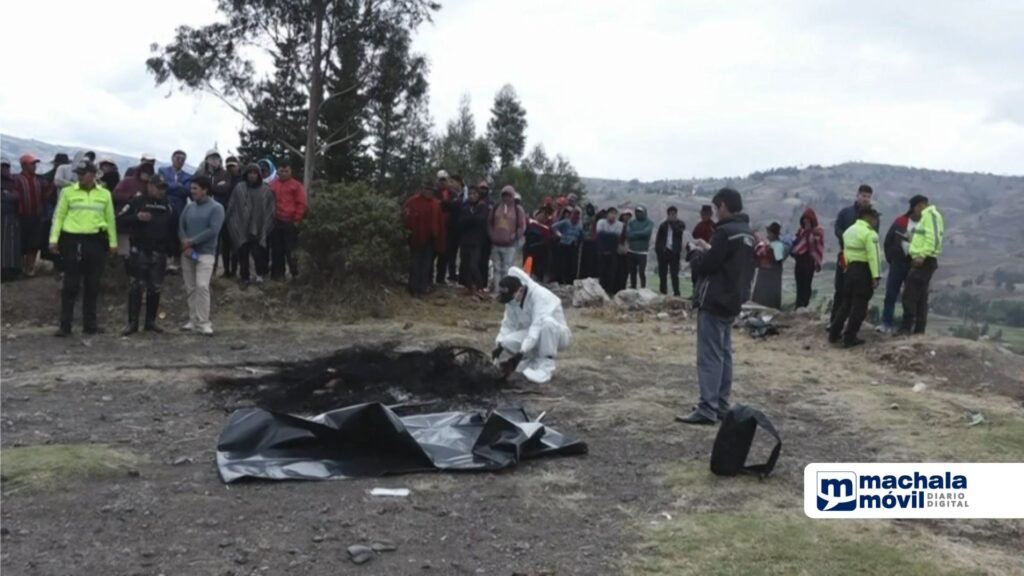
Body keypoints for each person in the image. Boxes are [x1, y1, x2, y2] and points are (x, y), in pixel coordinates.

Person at [677, 188, 754, 425]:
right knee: (724, 353)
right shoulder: (747, 234)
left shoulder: (724, 232)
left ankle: (707, 408)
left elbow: (707, 266)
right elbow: (728, 262)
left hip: (714, 299)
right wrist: (708, 248)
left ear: (723, 206)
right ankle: (720, 404)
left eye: (716, 207)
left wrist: (694, 254)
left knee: (709, 355)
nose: (716, 213)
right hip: (733, 300)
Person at [49, 159, 117, 336]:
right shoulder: (68, 192)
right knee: (70, 285)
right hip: (72, 241)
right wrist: (53, 239)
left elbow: (110, 219)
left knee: (93, 285)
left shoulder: (104, 194)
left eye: (83, 174)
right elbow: (59, 216)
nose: (79, 177)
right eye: (78, 174)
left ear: (93, 174)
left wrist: (113, 243)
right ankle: (65, 326)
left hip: (95, 241)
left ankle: (90, 325)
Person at [117, 174, 176, 335]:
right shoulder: (137, 202)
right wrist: (136, 217)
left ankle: (150, 322)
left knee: (155, 288)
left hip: (159, 252)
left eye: (163, 188)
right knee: (136, 287)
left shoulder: (167, 205)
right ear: (150, 186)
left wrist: (171, 250)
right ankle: (132, 323)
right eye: (158, 187)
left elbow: (172, 228)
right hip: (140, 251)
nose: (161, 191)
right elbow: (119, 219)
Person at [492, 267, 572, 384]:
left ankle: (545, 366)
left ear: (520, 290)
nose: (509, 301)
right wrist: (499, 346)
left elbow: (536, 326)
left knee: (547, 323)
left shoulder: (541, 296)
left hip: (556, 335)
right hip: (533, 333)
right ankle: (531, 362)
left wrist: (522, 352)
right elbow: (508, 324)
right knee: (507, 342)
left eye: (510, 297)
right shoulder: (513, 300)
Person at [179, 176, 225, 335]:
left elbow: (213, 230)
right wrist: (184, 243)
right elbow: (181, 226)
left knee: (202, 286)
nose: (192, 191)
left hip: (205, 253)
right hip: (187, 253)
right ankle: (193, 320)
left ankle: (204, 322)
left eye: (195, 188)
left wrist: (192, 241)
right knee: (190, 287)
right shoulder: (189, 207)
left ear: (205, 190)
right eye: (191, 188)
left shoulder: (216, 208)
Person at [829, 205, 881, 347]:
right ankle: (850, 337)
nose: (876, 221)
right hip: (863, 271)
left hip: (850, 270)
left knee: (845, 304)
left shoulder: (848, 231)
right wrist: (876, 276)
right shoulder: (870, 234)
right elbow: (874, 256)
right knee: (859, 306)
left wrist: (847, 269)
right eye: (875, 218)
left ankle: (834, 333)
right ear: (868, 217)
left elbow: (845, 252)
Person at [899, 196, 944, 336]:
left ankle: (906, 328)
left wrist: (922, 255)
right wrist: (912, 240)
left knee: (909, 295)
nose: (914, 213)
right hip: (923, 259)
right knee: (920, 297)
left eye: (914, 208)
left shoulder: (930, 215)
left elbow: (933, 238)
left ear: (919, 205)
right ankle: (918, 330)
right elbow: (924, 238)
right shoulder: (927, 217)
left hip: (924, 261)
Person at [226, 164, 276, 288]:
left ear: (259, 175)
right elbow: (232, 205)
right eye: (250, 173)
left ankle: (259, 275)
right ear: (246, 174)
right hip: (241, 225)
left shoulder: (265, 189)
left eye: (255, 173)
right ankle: (245, 277)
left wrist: (264, 224)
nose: (252, 175)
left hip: (258, 227)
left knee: (258, 252)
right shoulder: (239, 188)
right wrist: (230, 220)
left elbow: (270, 209)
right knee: (242, 252)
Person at [831, 184, 874, 325]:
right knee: (840, 289)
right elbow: (837, 228)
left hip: (862, 261)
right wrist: (846, 239)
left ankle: (852, 325)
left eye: (868, 197)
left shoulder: (872, 216)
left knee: (859, 294)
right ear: (857, 195)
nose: (865, 199)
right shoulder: (846, 213)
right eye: (863, 196)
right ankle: (834, 322)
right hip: (844, 256)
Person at [268, 159, 307, 280]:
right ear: (277, 171)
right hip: (275, 221)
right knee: (276, 250)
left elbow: (301, 203)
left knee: (290, 250)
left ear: (291, 171)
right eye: (281, 171)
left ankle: (295, 274)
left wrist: (296, 220)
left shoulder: (297, 185)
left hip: (290, 221)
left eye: (286, 171)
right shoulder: (272, 185)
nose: (284, 173)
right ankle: (277, 275)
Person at [403, 181, 444, 297]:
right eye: (427, 189)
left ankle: (422, 288)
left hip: (430, 239)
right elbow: (405, 219)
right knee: (415, 263)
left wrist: (440, 239)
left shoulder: (435, 204)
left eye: (431, 190)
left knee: (427, 264)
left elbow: (440, 223)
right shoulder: (412, 202)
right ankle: (413, 288)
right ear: (422, 189)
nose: (429, 192)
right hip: (415, 238)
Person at [878, 204, 914, 333]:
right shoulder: (900, 221)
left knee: (910, 297)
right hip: (897, 264)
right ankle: (886, 323)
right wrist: (891, 258)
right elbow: (888, 241)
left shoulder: (924, 225)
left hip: (913, 265)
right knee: (891, 294)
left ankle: (907, 327)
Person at [14, 154, 48, 277]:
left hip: (36, 217)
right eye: (32, 164)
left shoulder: (39, 180)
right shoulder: (17, 179)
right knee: (20, 244)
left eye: (35, 164)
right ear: (24, 165)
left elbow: (44, 195)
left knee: (34, 244)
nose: (35, 166)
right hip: (22, 217)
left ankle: (29, 269)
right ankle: (19, 268)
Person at [488, 186, 526, 292]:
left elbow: (522, 226)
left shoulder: (518, 210)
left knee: (507, 268)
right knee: (496, 269)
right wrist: (492, 235)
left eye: (508, 195)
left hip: (510, 246)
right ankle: (496, 290)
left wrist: (515, 236)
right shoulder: (496, 207)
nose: (506, 198)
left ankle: (505, 291)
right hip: (496, 244)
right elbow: (489, 223)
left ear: (512, 196)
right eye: (504, 195)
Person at [113, 162, 155, 257]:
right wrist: (131, 197)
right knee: (122, 252)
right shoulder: (127, 181)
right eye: (144, 172)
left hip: (140, 226)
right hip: (124, 220)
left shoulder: (149, 187)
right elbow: (115, 194)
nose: (146, 174)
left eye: (149, 173)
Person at [457, 184, 490, 294]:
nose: (472, 196)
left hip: (477, 241)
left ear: (478, 195)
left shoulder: (483, 207)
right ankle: (468, 286)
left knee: (474, 264)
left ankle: (479, 286)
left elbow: (481, 220)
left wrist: (469, 219)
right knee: (465, 264)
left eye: (474, 194)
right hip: (465, 240)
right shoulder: (465, 206)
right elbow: (461, 222)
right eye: (470, 194)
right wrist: (471, 219)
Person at [213, 156, 242, 277]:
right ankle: (226, 270)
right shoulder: (225, 178)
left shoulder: (242, 180)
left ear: (237, 166)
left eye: (233, 166)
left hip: (238, 215)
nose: (231, 169)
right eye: (229, 166)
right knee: (225, 244)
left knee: (235, 244)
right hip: (224, 213)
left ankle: (234, 271)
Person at [791, 208, 825, 309]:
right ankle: (798, 306)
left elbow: (817, 246)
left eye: (808, 221)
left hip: (809, 263)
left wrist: (808, 233)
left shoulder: (818, 232)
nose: (806, 224)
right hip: (800, 262)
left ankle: (804, 305)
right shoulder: (800, 232)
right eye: (805, 222)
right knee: (799, 285)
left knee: (806, 285)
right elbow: (796, 245)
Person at [752, 222, 785, 309]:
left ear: (774, 234)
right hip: (765, 273)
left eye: (769, 233)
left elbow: (778, 260)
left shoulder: (777, 245)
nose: (768, 235)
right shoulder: (768, 244)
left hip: (771, 276)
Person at [655, 206, 686, 296]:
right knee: (662, 274)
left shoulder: (680, 224)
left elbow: (679, 232)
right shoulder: (663, 225)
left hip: (674, 253)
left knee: (674, 274)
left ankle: (676, 293)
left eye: (674, 214)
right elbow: (658, 239)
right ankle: (663, 292)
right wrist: (659, 251)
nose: (672, 216)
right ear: (668, 215)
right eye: (671, 214)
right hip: (664, 252)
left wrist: (672, 223)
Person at [1, 157, 22, 281]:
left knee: (11, 245)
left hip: (11, 217)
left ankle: (10, 271)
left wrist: (6, 195)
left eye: (6, 167)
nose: (4, 169)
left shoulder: (13, 181)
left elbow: (18, 196)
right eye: (2, 166)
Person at [552, 207, 584, 285]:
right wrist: (559, 234)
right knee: (562, 263)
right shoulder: (566, 222)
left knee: (571, 264)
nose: (576, 216)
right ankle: (559, 280)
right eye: (574, 214)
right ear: (571, 215)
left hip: (573, 246)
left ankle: (569, 280)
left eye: (577, 215)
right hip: (564, 244)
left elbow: (581, 235)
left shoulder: (580, 225)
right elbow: (554, 227)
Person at [596, 207, 623, 295]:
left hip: (613, 251)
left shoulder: (620, 224)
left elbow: (617, 236)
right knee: (601, 272)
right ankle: (601, 291)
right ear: (607, 214)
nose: (613, 216)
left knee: (611, 272)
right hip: (602, 250)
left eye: (615, 214)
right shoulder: (601, 222)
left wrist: (607, 236)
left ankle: (610, 291)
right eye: (611, 213)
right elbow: (599, 234)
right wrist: (611, 236)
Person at [626, 205, 654, 289]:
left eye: (640, 212)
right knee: (632, 271)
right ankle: (633, 286)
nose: (639, 214)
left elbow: (646, 233)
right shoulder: (632, 222)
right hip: (631, 250)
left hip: (642, 252)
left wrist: (634, 233)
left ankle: (643, 287)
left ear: (644, 212)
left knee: (642, 271)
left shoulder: (649, 222)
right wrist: (640, 234)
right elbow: (628, 235)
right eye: (637, 212)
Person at [443, 173, 464, 284]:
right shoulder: (449, 195)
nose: (450, 184)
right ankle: (451, 275)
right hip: (452, 228)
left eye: (452, 182)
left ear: (459, 183)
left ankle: (463, 277)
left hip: (464, 229)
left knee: (464, 254)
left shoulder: (466, 194)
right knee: (451, 252)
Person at [579, 203, 598, 279]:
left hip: (594, 241)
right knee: (585, 259)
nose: (589, 210)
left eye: (590, 209)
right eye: (588, 209)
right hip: (586, 240)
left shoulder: (595, 218)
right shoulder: (585, 218)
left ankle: (593, 274)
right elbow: (582, 228)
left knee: (593, 259)